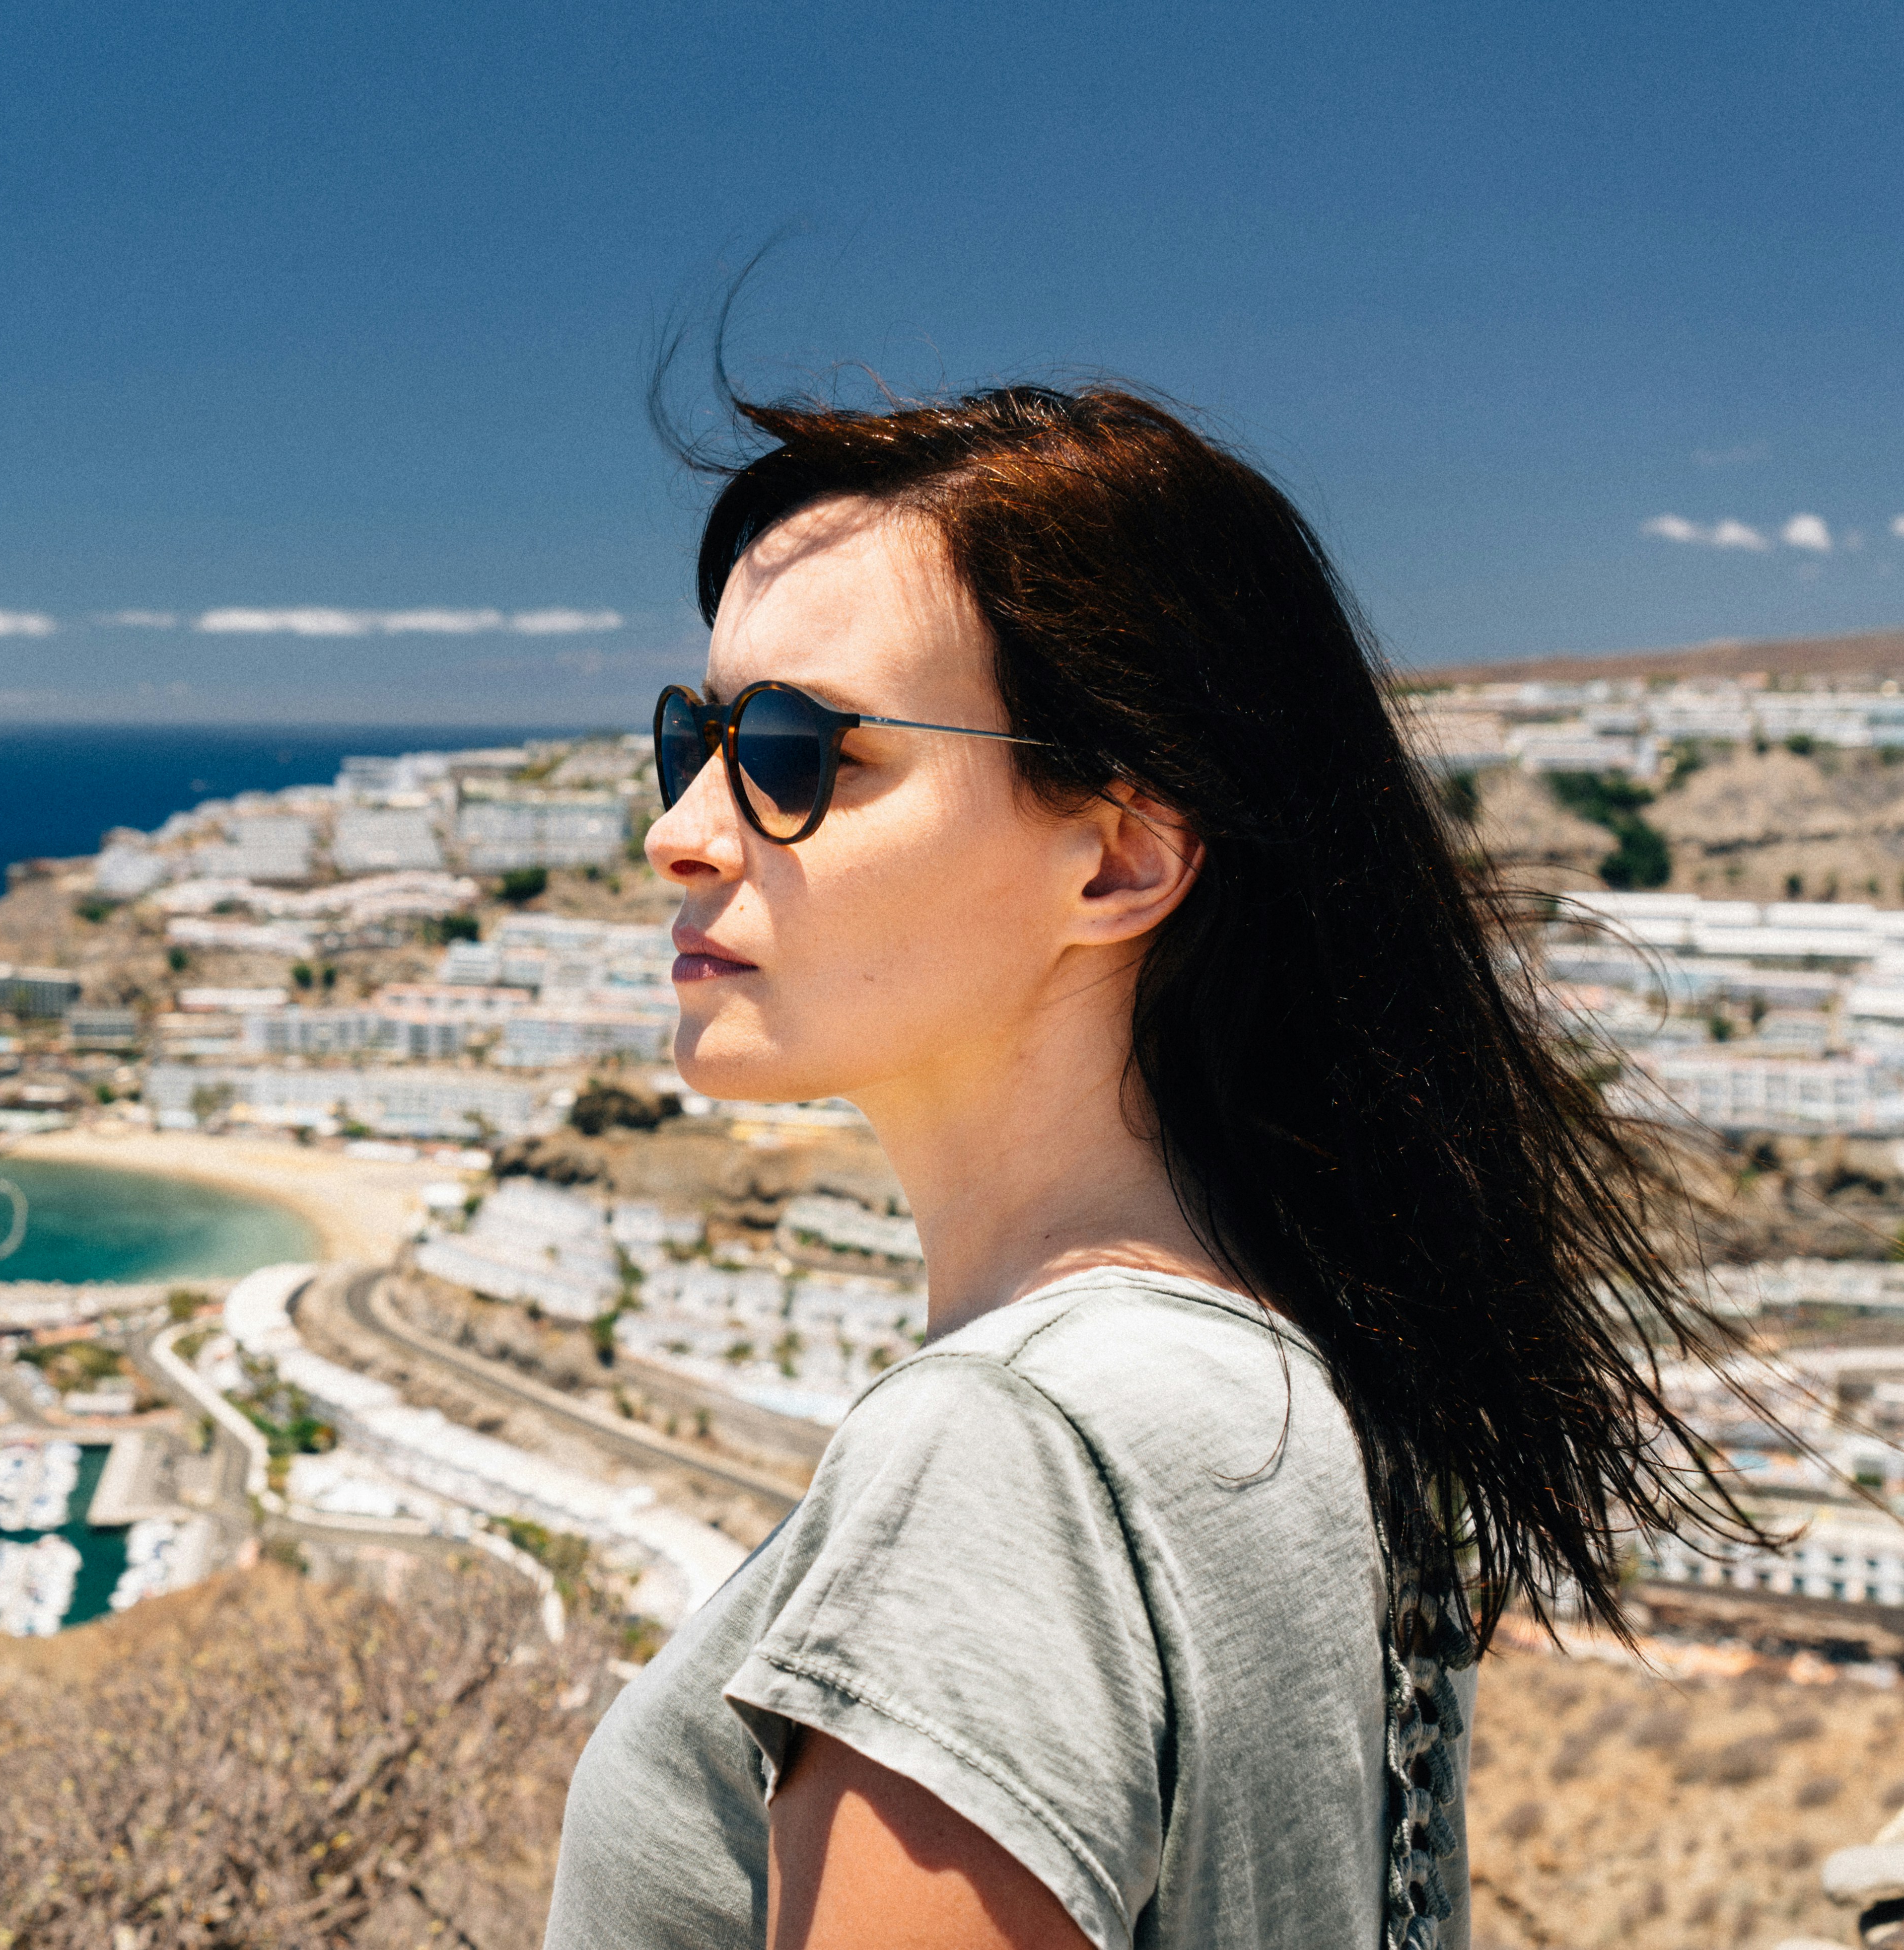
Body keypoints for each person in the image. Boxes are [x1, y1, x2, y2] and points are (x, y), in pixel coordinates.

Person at [544, 384, 1751, 1950]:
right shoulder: (1298, 1384)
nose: (683, 831)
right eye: (693, 739)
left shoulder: (1009, 1450)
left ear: (1119, 857)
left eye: (794, 750)